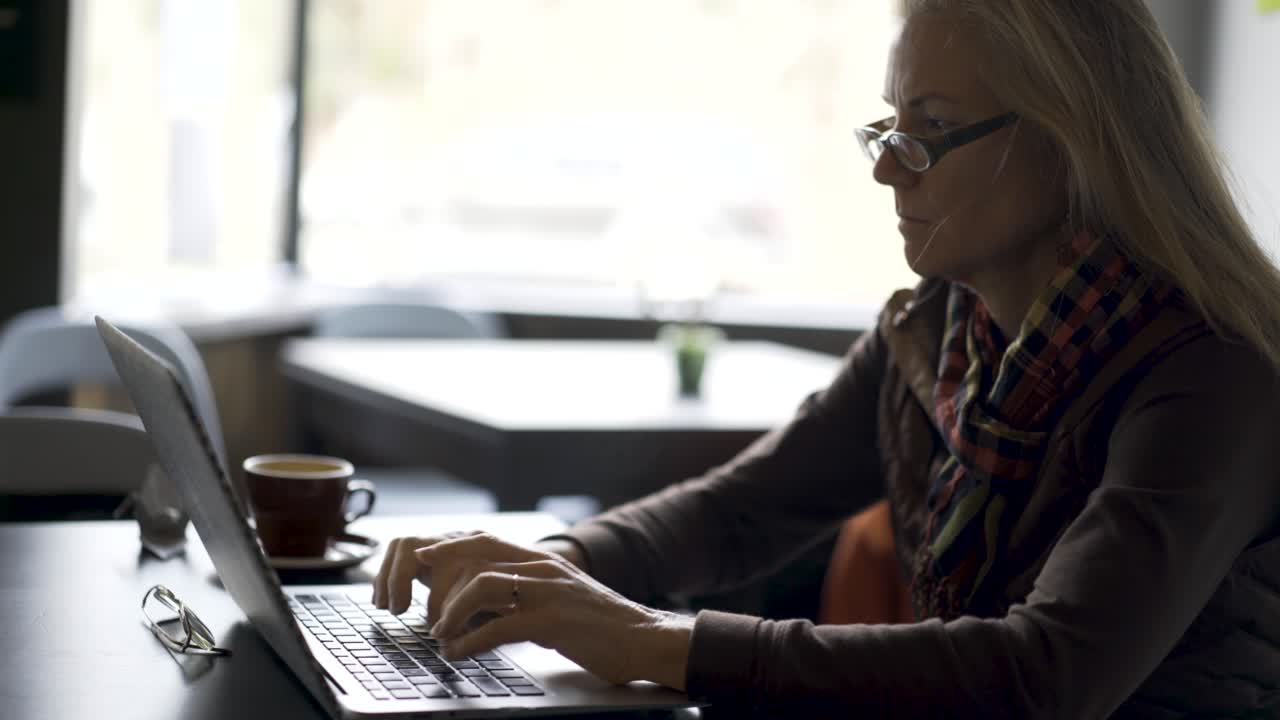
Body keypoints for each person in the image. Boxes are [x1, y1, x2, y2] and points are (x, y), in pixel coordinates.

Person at [373, 1, 1280, 715]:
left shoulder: (1212, 375)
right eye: (888, 125)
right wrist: (541, 566)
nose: (888, 168)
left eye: (928, 127)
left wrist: (656, 642)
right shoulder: (938, 332)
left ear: (1063, 140)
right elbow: (739, 511)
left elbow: (1043, 675)